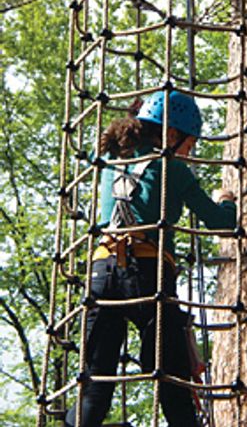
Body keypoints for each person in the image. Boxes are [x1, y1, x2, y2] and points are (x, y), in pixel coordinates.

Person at [65, 91, 236, 427]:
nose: (191, 151)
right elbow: (221, 223)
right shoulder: (173, 169)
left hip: (101, 272)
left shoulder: (108, 161)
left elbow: (87, 156)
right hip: (149, 274)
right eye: (190, 143)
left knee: (96, 384)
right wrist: (226, 199)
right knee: (171, 381)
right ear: (172, 134)